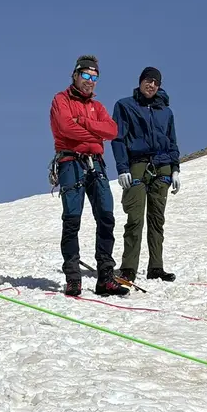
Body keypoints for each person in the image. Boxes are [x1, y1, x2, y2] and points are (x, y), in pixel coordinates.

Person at [50, 55, 128, 298]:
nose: (90, 81)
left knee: (106, 216)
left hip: (97, 165)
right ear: (75, 75)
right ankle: (73, 278)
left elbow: (113, 130)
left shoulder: (98, 107)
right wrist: (95, 136)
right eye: (85, 75)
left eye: (94, 77)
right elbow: (64, 128)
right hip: (70, 163)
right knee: (72, 220)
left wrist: (83, 122)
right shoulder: (60, 100)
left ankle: (105, 277)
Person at [111, 66, 181, 282]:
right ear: (140, 81)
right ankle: (129, 268)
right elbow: (118, 139)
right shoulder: (124, 106)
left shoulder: (166, 112)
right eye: (148, 81)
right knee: (135, 219)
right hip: (137, 165)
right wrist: (122, 168)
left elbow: (172, 141)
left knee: (157, 220)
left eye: (155, 82)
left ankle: (156, 268)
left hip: (163, 168)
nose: (151, 85)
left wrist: (176, 168)